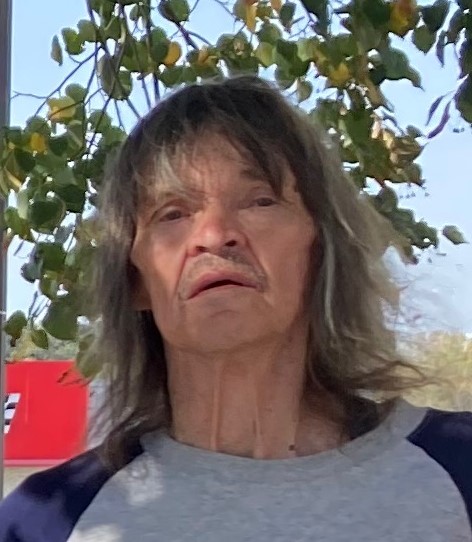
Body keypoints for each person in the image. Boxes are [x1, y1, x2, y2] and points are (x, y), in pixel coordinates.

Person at [0, 75, 471, 542]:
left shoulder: (457, 469)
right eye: (172, 213)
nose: (213, 235)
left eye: (259, 201)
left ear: (322, 250)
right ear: (136, 278)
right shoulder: (48, 522)